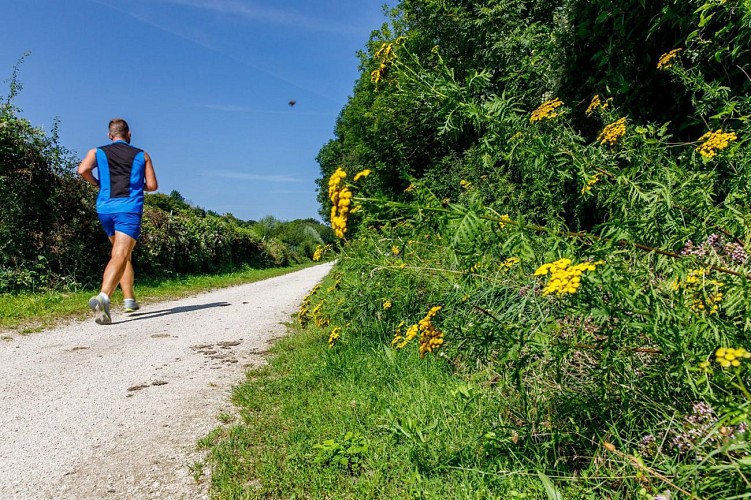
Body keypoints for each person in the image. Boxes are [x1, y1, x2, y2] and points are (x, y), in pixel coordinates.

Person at [77, 118, 158, 324]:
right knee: (121, 253)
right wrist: (138, 187)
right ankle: (103, 297)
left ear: (109, 135)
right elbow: (153, 185)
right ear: (129, 134)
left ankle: (129, 299)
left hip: (105, 208)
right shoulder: (142, 155)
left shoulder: (97, 152)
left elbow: (82, 170)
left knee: (121, 254)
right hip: (128, 209)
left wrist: (96, 183)